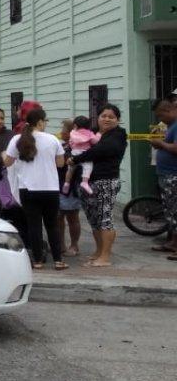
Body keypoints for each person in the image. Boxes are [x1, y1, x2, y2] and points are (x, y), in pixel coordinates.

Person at [3, 107, 68, 270]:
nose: (46, 124)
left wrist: (4, 155)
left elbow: (8, 162)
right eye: (45, 121)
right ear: (39, 122)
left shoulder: (17, 139)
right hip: (50, 188)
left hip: (28, 189)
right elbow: (61, 163)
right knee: (52, 225)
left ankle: (38, 261)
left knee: (34, 225)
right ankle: (58, 260)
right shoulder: (53, 139)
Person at [72, 104, 128, 267]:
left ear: (118, 119)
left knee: (105, 219)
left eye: (111, 117)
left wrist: (75, 159)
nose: (107, 119)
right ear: (98, 118)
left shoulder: (118, 135)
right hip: (88, 182)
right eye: (104, 116)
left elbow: (98, 151)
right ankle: (98, 252)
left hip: (106, 181)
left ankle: (105, 257)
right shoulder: (93, 132)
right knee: (94, 219)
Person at [149, 98, 177, 254]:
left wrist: (160, 144)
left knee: (175, 210)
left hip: (173, 175)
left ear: (169, 110)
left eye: (161, 115)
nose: (161, 119)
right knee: (170, 210)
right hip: (166, 174)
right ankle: (173, 242)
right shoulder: (171, 126)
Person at [55, 118, 83, 256]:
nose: (61, 132)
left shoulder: (77, 147)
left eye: (64, 130)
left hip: (71, 187)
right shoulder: (63, 145)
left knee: (72, 216)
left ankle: (74, 245)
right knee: (58, 216)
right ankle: (60, 244)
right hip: (58, 185)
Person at [62, 116, 99, 195]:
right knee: (88, 166)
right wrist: (98, 136)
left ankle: (66, 183)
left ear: (75, 126)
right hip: (84, 153)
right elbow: (95, 141)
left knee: (70, 170)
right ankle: (85, 182)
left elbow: (71, 143)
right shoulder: (89, 133)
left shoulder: (73, 133)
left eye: (63, 129)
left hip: (74, 153)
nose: (61, 131)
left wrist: (72, 149)